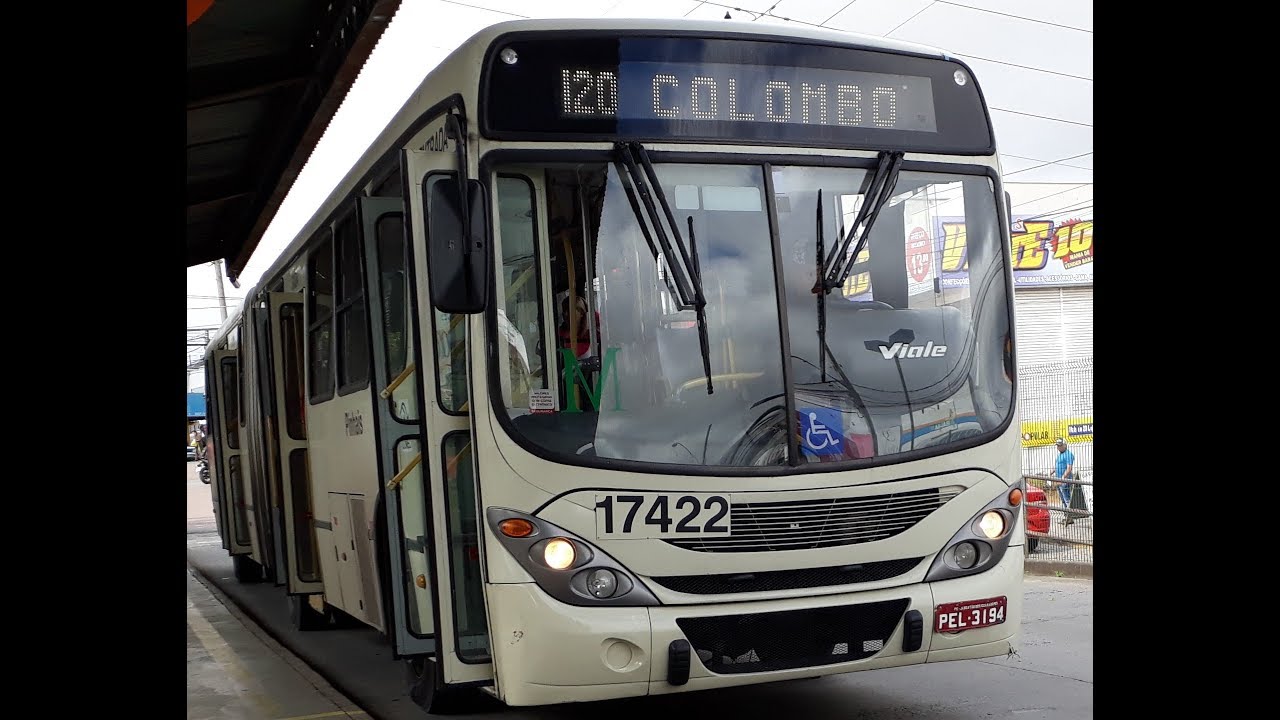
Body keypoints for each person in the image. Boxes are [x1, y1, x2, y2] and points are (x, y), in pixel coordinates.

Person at [1052, 437, 1076, 525]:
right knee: (1063, 500)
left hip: (1064, 481)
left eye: (1060, 445)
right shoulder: (1059, 455)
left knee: (1067, 499)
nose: (1058, 447)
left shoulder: (1068, 454)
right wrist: (1051, 472)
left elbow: (1069, 468)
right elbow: (1056, 466)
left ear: (1065, 445)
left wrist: (1063, 478)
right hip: (1058, 480)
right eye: (1057, 446)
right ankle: (1067, 517)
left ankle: (1069, 517)